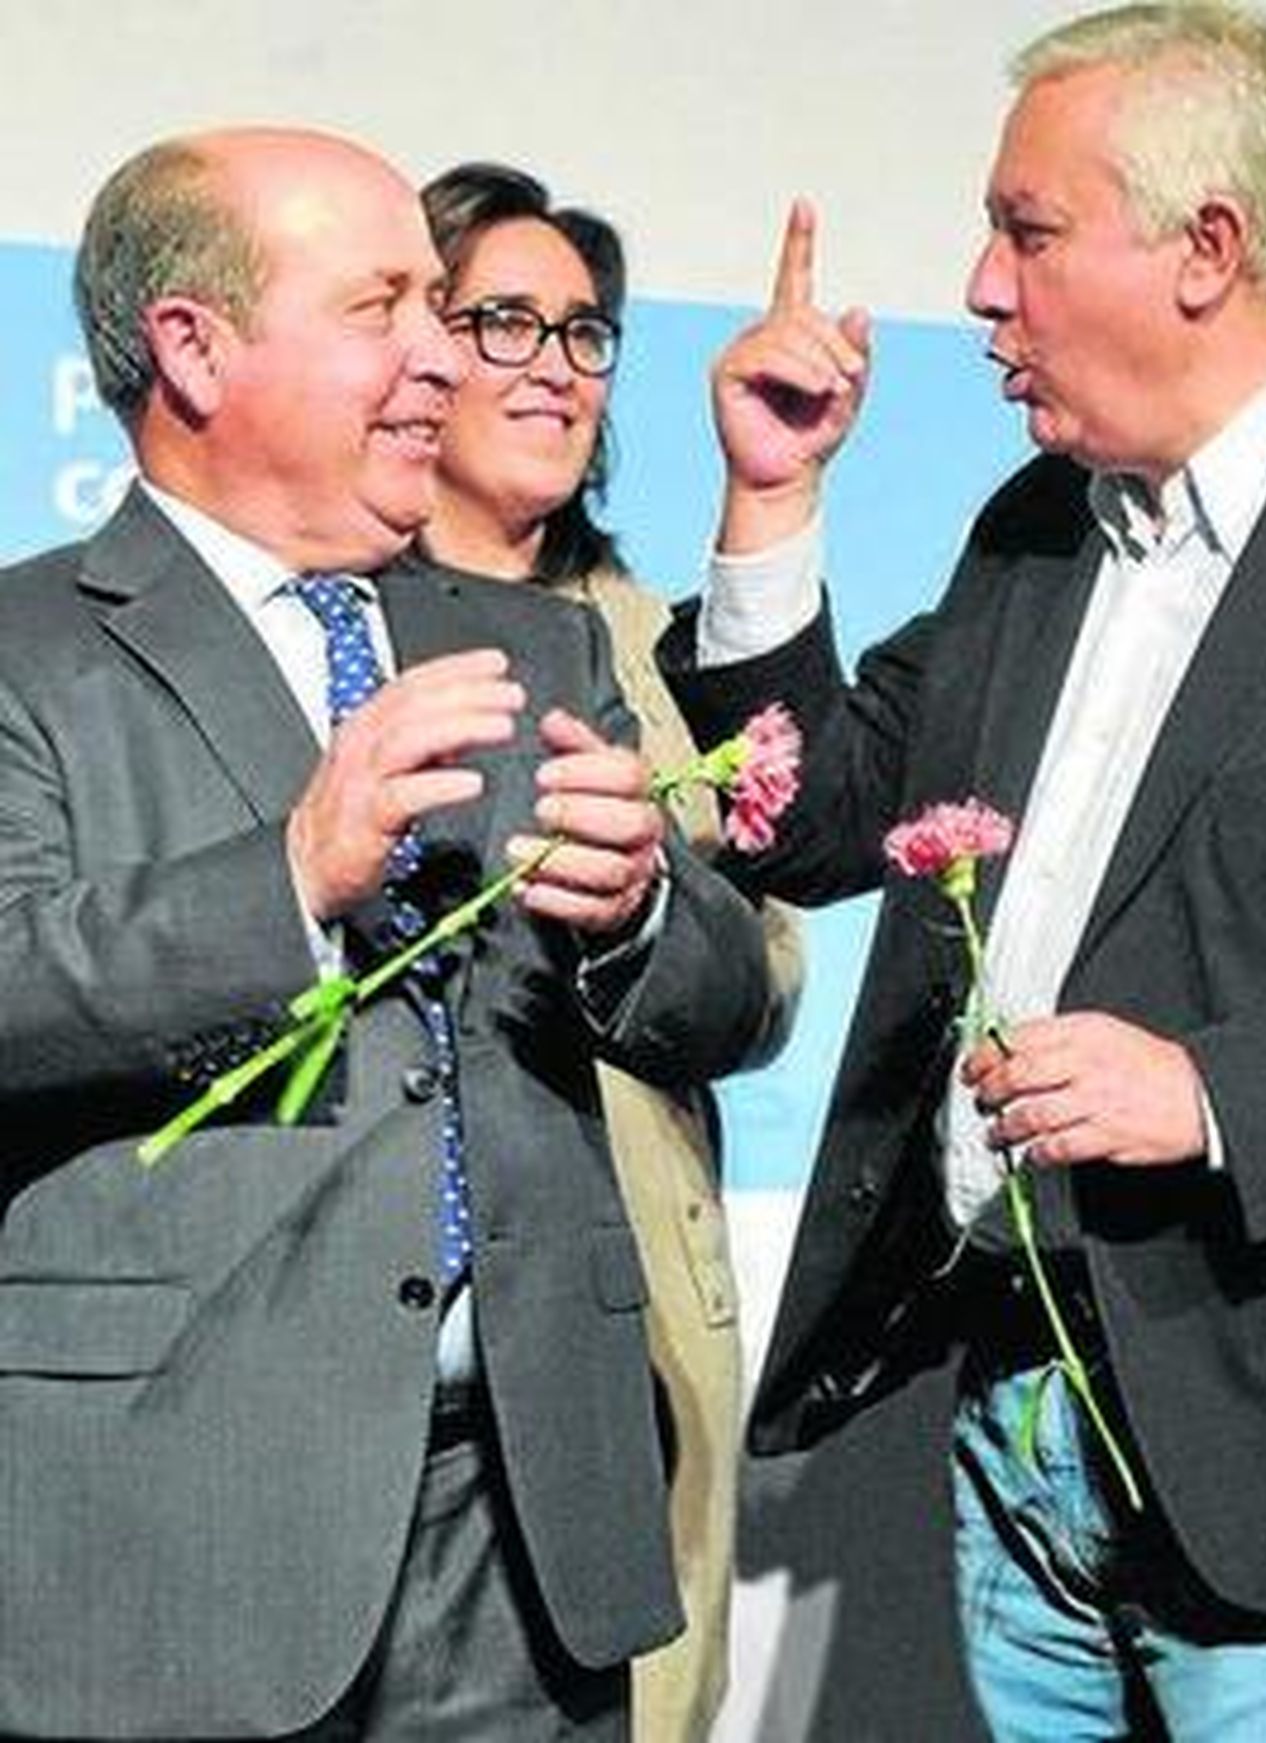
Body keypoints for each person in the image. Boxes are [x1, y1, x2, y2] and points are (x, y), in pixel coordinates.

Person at [659, 4, 1266, 1738]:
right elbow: (814, 815)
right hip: (1023, 1466)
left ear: (1206, 249)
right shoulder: (1035, 536)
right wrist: (771, 507)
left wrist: (1211, 1093)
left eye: (1027, 232)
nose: (980, 289)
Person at [0, 126, 771, 1741]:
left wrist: (640, 910)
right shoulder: (28, 652)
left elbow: (724, 1004)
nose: (442, 358)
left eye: (437, 305)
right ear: (194, 348)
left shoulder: (541, 646)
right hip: (183, 1538)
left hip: (526, 1542)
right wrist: (288, 878)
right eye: (381, 309)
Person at [386, 157, 804, 1742]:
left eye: (583, 332)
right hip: (383, 1312)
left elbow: (766, 974)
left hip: (627, 1291)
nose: (554, 365)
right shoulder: (312, 616)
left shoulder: (654, 644)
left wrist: (641, 907)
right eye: (503, 320)